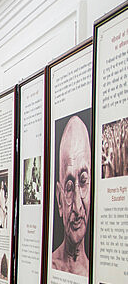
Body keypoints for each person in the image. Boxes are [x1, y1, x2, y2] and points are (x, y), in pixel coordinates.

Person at [52, 115, 91, 275]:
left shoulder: (92, 273)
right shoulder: (51, 266)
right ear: (59, 201)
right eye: (69, 187)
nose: (77, 205)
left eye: (83, 181)